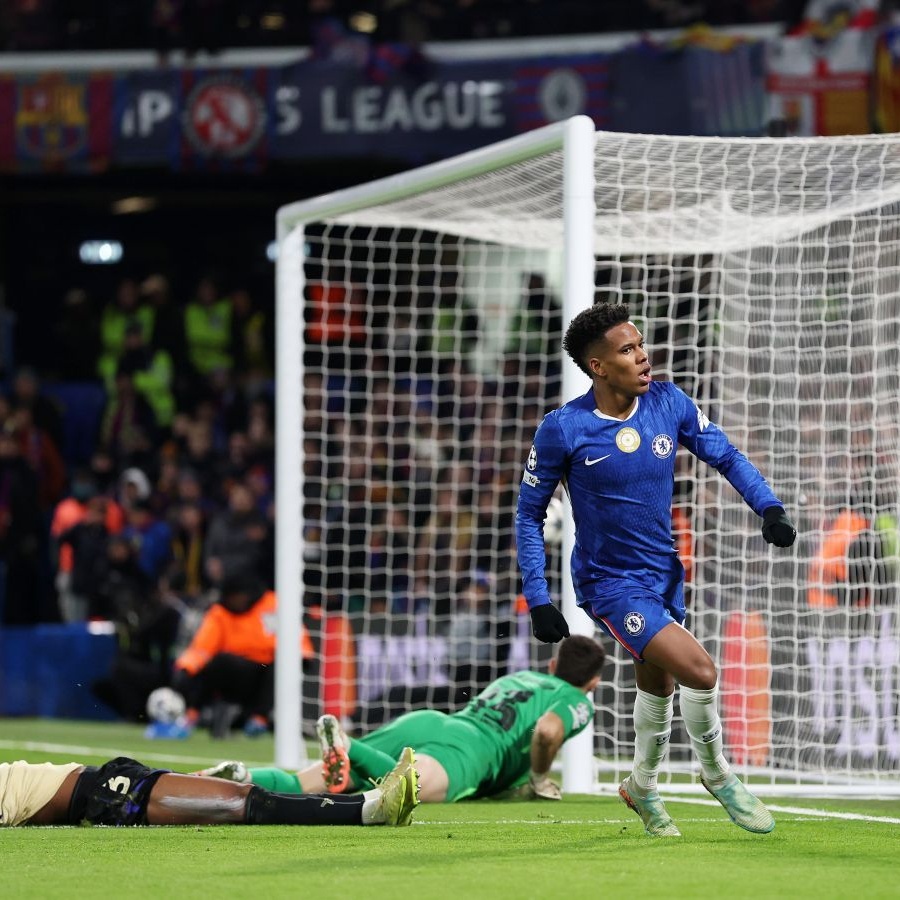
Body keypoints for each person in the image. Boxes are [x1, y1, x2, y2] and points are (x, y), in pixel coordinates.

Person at [514, 303, 797, 837]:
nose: (644, 356)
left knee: (659, 682)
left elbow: (727, 456)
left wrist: (770, 508)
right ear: (598, 366)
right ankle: (718, 774)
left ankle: (642, 784)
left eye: (641, 344)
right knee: (701, 672)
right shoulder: (564, 428)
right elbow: (529, 514)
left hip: (663, 573)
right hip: (610, 584)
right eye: (628, 350)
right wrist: (539, 597)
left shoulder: (669, 402)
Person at [197, 634, 605, 804]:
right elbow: (546, 731)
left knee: (311, 784)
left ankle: (235, 777)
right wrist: (539, 778)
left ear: (552, 664)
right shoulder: (576, 699)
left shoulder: (521, 677)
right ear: (593, 683)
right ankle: (348, 746)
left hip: (430, 723)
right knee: (400, 791)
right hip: (466, 752)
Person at [0, 750, 418, 828]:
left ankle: (365, 804)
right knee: (236, 802)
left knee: (235, 797)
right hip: (101, 796)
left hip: (100, 784)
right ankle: (368, 808)